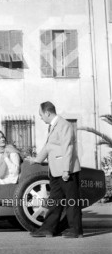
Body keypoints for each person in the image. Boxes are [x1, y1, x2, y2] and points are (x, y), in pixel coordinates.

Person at [28, 101, 83, 238]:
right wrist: (37, 159)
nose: (40, 117)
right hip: (55, 171)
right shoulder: (53, 126)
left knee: (72, 201)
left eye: (41, 114)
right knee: (54, 201)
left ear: (47, 113)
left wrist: (66, 170)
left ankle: (76, 230)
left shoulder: (64, 125)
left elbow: (67, 148)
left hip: (65, 170)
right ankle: (48, 229)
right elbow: (49, 146)